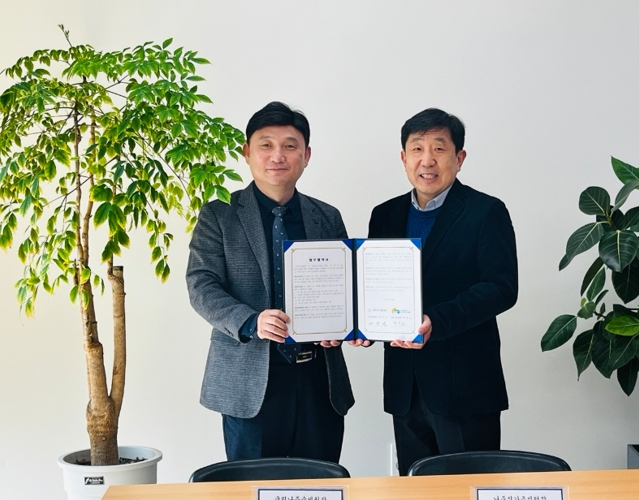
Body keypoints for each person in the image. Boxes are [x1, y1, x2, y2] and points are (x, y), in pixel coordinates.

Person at [186, 101, 354, 463]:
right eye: (266, 145)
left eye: (290, 146)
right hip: (249, 379)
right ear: (247, 152)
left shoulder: (327, 216)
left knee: (320, 482)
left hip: (319, 378)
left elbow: (345, 287)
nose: (278, 155)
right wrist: (252, 320)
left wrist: (343, 325)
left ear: (306, 156)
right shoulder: (219, 214)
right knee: (253, 485)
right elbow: (201, 285)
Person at [367, 107, 518, 475]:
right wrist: (361, 326)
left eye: (439, 148)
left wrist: (436, 321)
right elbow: (375, 286)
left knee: (469, 488)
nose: (427, 160)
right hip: (405, 387)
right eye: (417, 149)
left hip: (465, 387)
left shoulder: (486, 212)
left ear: (459, 158)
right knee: (416, 487)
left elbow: (501, 288)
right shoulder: (384, 215)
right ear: (403, 158)